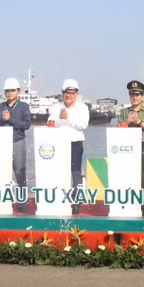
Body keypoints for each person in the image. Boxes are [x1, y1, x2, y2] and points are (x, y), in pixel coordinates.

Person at [48, 79, 89, 215]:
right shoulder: (56, 106)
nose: (68, 95)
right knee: (59, 172)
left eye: (72, 93)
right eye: (66, 92)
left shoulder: (82, 107)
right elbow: (51, 122)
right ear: (62, 93)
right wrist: (60, 119)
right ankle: (60, 199)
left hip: (75, 143)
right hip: (59, 144)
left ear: (77, 94)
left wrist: (68, 117)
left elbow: (83, 125)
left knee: (75, 172)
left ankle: (76, 202)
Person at [0, 77, 32, 212]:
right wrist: (1, 120)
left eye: (12, 90)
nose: (9, 93)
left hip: (18, 141)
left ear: (18, 92)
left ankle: (21, 202)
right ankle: (3, 200)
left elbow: (27, 124)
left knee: (19, 172)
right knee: (2, 173)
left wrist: (11, 119)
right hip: (2, 143)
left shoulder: (23, 107)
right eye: (7, 91)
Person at [120, 80, 144, 216]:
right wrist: (128, 122)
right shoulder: (124, 112)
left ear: (142, 96)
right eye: (132, 95)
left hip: (142, 145)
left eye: (138, 95)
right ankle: (127, 204)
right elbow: (118, 128)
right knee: (127, 175)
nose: (135, 97)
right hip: (126, 147)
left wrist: (139, 122)